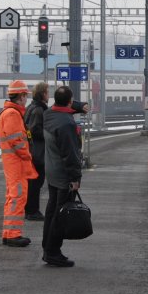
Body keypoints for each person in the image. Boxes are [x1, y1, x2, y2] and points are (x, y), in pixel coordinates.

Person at [42, 85, 85, 268]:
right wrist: (75, 179)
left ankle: (47, 248)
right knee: (60, 215)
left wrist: (77, 105)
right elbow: (71, 155)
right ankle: (53, 252)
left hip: (51, 171)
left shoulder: (49, 114)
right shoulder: (66, 124)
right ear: (69, 101)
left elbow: (63, 105)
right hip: (63, 175)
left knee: (51, 212)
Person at [0, 79, 38, 247]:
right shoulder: (13, 114)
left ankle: (9, 233)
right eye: (25, 96)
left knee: (12, 197)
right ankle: (13, 234)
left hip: (13, 164)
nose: (26, 99)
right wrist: (27, 155)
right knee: (17, 198)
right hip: (17, 164)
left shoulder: (9, 113)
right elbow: (17, 141)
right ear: (21, 96)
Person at [23, 82, 50, 221]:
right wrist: (48, 134)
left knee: (33, 182)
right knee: (36, 182)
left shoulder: (31, 107)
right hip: (37, 152)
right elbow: (33, 130)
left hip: (33, 150)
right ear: (43, 94)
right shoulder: (38, 110)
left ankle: (31, 209)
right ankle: (32, 211)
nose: (49, 94)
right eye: (47, 92)